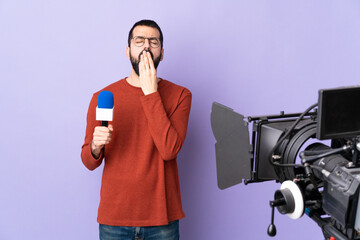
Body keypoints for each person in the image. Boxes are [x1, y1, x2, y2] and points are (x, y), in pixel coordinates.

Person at [81, 19, 192, 240]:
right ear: (128, 50)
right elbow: (88, 161)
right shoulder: (103, 97)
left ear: (162, 53)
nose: (146, 46)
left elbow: (169, 150)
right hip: (114, 219)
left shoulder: (180, 95)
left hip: (162, 220)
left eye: (154, 41)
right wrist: (95, 146)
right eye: (139, 40)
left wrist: (150, 93)